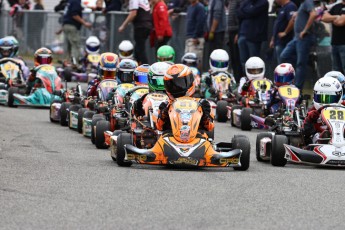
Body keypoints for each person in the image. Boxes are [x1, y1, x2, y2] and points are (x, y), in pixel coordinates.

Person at [156, 64, 214, 133]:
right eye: (172, 85)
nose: (177, 88)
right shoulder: (165, 105)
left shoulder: (203, 104)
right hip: (170, 139)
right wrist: (165, 113)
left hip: (197, 138)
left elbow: (209, 127)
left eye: (180, 83)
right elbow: (160, 127)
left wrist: (204, 114)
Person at [280, 0, 317, 90]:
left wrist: (305, 30)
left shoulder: (307, 1)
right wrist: (298, 14)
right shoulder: (302, 4)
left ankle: (298, 89)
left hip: (304, 37)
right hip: (296, 38)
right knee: (284, 56)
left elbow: (313, 14)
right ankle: (308, 60)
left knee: (300, 64)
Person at [302, 76, 343, 144]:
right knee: (316, 135)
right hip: (318, 143)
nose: (324, 103)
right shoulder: (313, 113)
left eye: (329, 99)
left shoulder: (343, 109)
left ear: (339, 96)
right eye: (321, 98)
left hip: (341, 138)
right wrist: (310, 119)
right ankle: (322, 139)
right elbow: (305, 131)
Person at [237, 0, 269, 70]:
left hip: (254, 37)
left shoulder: (263, 2)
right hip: (242, 34)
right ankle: (246, 79)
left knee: (254, 62)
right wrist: (247, 10)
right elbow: (239, 13)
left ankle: (255, 79)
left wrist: (245, 11)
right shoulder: (246, 2)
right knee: (243, 62)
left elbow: (252, 11)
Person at [118, 0, 152, 65]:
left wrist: (123, 25)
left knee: (140, 49)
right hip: (147, 25)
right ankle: (137, 65)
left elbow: (133, 13)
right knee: (138, 48)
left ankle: (145, 67)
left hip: (141, 26)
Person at [321, 0, 345, 74]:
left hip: (344, 44)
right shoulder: (336, 6)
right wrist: (337, 16)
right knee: (336, 71)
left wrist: (331, 19)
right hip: (335, 43)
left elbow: (341, 22)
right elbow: (324, 18)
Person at [185, 0, 206, 70]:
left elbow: (200, 22)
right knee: (187, 62)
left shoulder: (200, 7)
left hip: (196, 39)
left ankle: (198, 78)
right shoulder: (190, 7)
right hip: (189, 38)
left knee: (196, 61)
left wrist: (195, 36)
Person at [226, 0, 243, 82]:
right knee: (233, 59)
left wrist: (238, 33)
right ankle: (236, 80)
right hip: (231, 32)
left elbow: (240, 18)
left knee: (237, 59)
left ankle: (239, 80)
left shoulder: (239, 1)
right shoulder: (232, 2)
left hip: (236, 32)